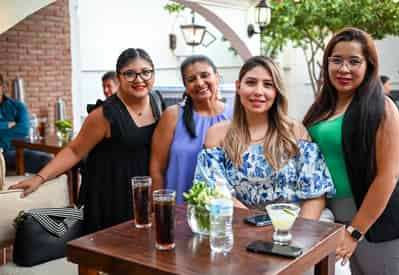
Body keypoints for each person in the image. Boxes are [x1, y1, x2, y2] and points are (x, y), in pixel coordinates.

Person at [10, 48, 165, 233]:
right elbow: (75, 150)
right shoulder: (105, 114)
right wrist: (39, 178)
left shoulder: (157, 101)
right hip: (109, 194)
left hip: (142, 190)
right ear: (119, 77)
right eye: (130, 74)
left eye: (146, 72)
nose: (139, 79)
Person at [304, 27, 399, 275]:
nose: (344, 69)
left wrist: (355, 231)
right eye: (336, 60)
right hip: (334, 217)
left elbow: (388, 176)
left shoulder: (382, 107)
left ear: (369, 65)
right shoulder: (322, 107)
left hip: (379, 223)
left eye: (354, 61)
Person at [193, 56, 335, 220]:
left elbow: (315, 195)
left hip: (297, 224)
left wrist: (296, 237)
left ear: (277, 91)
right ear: (238, 86)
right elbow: (216, 193)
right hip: (240, 224)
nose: (258, 91)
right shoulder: (217, 135)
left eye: (268, 85)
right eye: (251, 82)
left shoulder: (295, 131)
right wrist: (256, 229)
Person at [150, 55, 232, 203]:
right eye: (191, 79)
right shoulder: (172, 116)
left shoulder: (235, 117)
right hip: (177, 210)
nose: (200, 83)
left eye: (205, 75)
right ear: (185, 86)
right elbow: (157, 169)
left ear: (217, 77)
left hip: (222, 211)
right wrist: (159, 208)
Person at [0, 73, 51, 173]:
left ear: (1, 86)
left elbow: (24, 130)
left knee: (48, 160)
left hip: (16, 151)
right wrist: (7, 125)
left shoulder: (18, 106)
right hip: (3, 154)